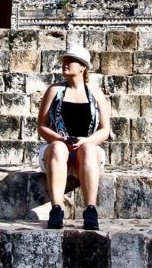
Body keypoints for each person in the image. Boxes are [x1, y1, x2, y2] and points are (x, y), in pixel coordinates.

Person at [36, 44, 111, 230]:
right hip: (57, 152)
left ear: (83, 67)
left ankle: (90, 209)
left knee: (88, 148)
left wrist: (87, 141)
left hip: (86, 153)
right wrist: (60, 139)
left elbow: (105, 130)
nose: (65, 63)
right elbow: (42, 126)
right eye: (65, 60)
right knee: (58, 147)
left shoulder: (95, 93)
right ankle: (56, 209)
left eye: (71, 60)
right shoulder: (54, 90)